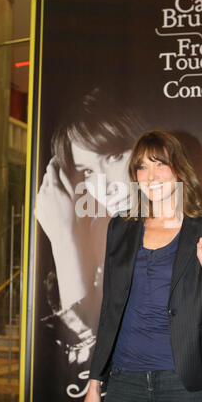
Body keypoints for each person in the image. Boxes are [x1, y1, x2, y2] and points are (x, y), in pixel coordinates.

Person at [81, 130, 202, 402]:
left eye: (160, 164)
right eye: (142, 167)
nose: (150, 175)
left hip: (185, 382)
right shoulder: (121, 227)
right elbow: (110, 310)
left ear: (179, 169)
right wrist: (95, 381)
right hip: (125, 378)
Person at [35, 88, 144, 367]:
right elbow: (79, 370)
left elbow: (99, 357)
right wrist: (64, 239)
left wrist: (63, 242)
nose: (104, 184)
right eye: (87, 171)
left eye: (115, 157)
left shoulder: (182, 236)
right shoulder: (104, 242)